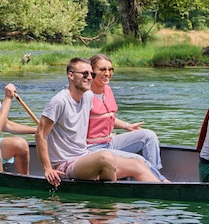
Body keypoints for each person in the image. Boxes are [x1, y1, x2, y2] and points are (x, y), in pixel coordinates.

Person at [35, 57, 161, 187]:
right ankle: (110, 199)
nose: (90, 77)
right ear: (71, 75)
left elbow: (101, 119)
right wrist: (48, 169)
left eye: (92, 74)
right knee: (105, 157)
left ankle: (161, 192)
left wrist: (125, 127)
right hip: (66, 164)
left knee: (137, 163)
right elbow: (40, 134)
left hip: (85, 156)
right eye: (85, 74)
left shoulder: (88, 96)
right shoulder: (59, 101)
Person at [87, 54, 167, 182]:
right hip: (92, 149)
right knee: (138, 160)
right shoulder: (84, 96)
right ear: (92, 72)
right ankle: (160, 181)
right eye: (102, 69)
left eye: (110, 69)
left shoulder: (107, 90)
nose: (107, 73)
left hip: (109, 142)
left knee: (148, 136)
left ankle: (154, 175)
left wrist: (127, 126)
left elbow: (107, 118)